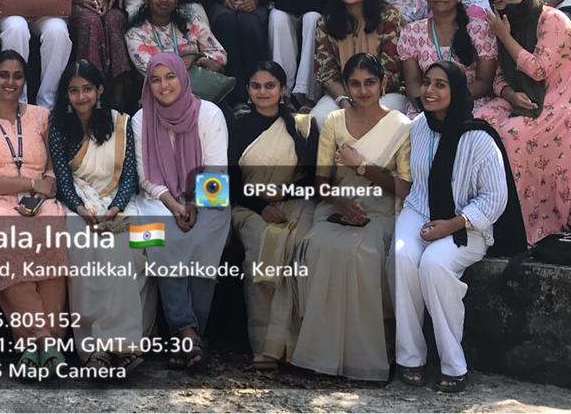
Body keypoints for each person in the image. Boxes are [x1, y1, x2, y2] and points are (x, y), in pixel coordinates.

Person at [394, 61, 527, 394]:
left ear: (456, 91)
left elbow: (495, 199)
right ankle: (410, 357)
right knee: (403, 257)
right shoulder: (419, 127)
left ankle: (453, 364)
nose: (429, 90)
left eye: (440, 85)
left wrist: (452, 224)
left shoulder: (480, 138)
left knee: (434, 265)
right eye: (426, 82)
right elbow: (417, 184)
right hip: (419, 209)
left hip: (467, 223)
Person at [290, 53, 412, 382]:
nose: (363, 91)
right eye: (355, 84)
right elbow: (320, 182)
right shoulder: (334, 121)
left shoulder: (401, 126)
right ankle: (323, 355)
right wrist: (339, 202)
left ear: (383, 85)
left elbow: (404, 188)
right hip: (337, 207)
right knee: (318, 247)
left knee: (363, 254)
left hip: (382, 210)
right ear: (346, 87)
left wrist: (362, 167)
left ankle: (365, 357)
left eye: (370, 83)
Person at [0, 51, 70, 374]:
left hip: (38, 200)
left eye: (17, 76)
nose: (10, 82)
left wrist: (44, 187)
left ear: (25, 81)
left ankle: (37, 346)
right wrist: (31, 184)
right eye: (3, 75)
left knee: (52, 235)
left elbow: (52, 168)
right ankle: (43, 340)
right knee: (5, 239)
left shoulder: (41, 116)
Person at [47, 60, 151, 369]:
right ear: (66, 94)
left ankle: (124, 342)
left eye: (87, 89)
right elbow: (63, 181)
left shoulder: (121, 123)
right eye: (74, 91)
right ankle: (95, 349)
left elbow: (129, 175)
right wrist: (81, 209)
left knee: (124, 248)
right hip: (78, 202)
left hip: (119, 201)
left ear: (100, 90)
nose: (81, 97)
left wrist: (115, 208)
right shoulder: (59, 127)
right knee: (81, 246)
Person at [129, 53, 230, 370]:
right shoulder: (141, 119)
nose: (163, 86)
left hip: (209, 195)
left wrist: (195, 206)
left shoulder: (209, 114)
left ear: (183, 78)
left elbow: (216, 171)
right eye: (155, 80)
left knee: (204, 238)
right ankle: (187, 332)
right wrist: (174, 206)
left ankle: (187, 336)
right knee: (163, 236)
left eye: (170, 77)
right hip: (160, 199)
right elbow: (145, 178)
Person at [478, 0, 571, 245]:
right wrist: (510, 94)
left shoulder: (552, 20)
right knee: (479, 124)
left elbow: (539, 69)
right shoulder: (507, 25)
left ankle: (533, 227)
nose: (508, 5)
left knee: (514, 134)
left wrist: (505, 37)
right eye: (500, 1)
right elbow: (499, 78)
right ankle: (487, 219)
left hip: (562, 99)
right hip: (521, 96)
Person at [228, 62, 317, 368]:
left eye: (270, 86)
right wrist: (261, 206)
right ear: (248, 91)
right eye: (256, 86)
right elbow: (228, 183)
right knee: (261, 243)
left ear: (282, 90)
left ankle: (297, 346)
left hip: (296, 203)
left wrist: (284, 194)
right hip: (248, 208)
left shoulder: (304, 126)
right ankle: (266, 347)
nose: (263, 92)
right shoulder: (236, 127)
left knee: (300, 246)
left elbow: (314, 179)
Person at [310, 0, 407, 124]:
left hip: (385, 93)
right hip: (343, 94)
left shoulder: (389, 17)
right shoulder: (327, 22)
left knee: (376, 121)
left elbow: (392, 69)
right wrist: (345, 102)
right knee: (319, 120)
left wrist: (364, 94)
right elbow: (326, 72)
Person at [398, 0, 497, 114]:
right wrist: (427, 106)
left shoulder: (479, 29)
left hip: (469, 103)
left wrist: (450, 101)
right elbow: (413, 80)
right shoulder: (412, 32)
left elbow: (484, 82)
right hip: (428, 104)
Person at [124, 0, 228, 94]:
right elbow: (153, 73)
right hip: (163, 95)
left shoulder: (192, 22)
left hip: (203, 90)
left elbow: (220, 54)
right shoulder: (135, 34)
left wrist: (197, 57)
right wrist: (187, 63)